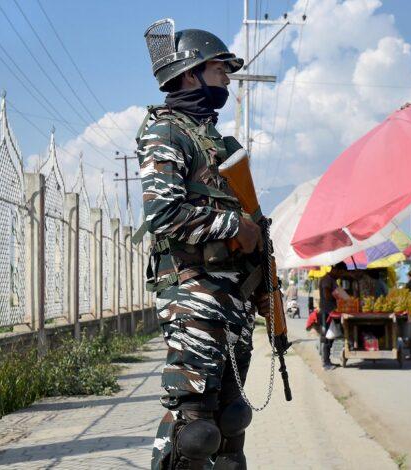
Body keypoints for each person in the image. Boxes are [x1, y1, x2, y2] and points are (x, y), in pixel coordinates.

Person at [138, 20, 271, 469]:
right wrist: (235, 227)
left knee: (231, 421)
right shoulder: (166, 133)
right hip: (192, 295)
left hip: (233, 299)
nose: (227, 80)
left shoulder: (221, 144)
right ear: (191, 74)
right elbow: (163, 215)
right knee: (196, 429)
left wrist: (264, 286)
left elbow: (254, 226)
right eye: (220, 70)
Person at [318, 262, 346, 370]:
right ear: (336, 270)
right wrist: (338, 295)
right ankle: (326, 363)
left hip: (331, 312)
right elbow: (327, 295)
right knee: (327, 337)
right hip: (327, 312)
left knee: (332, 336)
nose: (340, 276)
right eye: (340, 273)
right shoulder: (327, 279)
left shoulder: (332, 280)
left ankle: (328, 360)